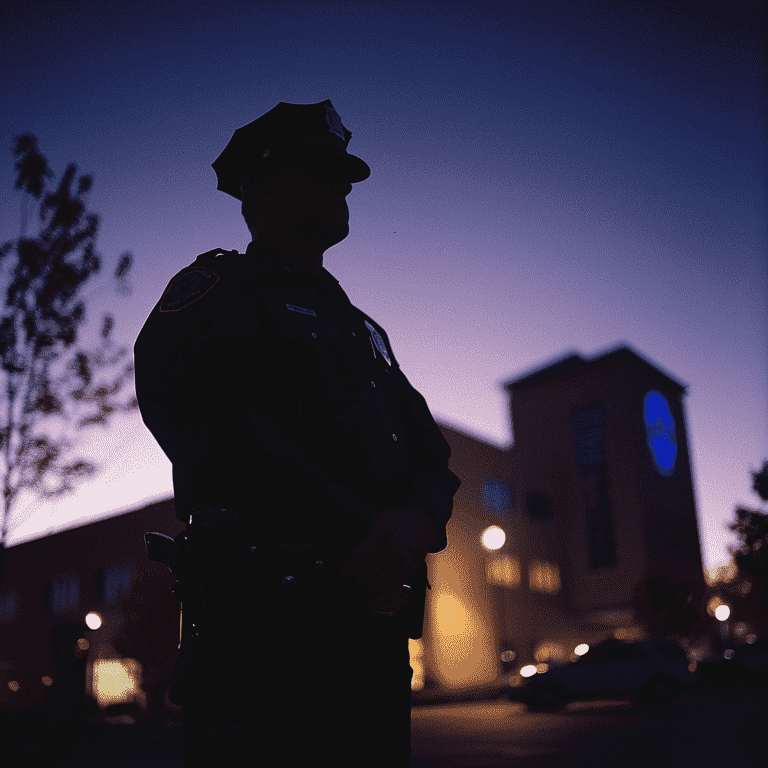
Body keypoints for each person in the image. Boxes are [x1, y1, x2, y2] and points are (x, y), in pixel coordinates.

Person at [133, 99, 461, 768]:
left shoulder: (361, 329)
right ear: (263, 187)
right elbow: (207, 422)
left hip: (367, 636)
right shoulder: (219, 291)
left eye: (342, 174)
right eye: (321, 170)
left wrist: (418, 523)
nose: (342, 186)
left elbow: (430, 452)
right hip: (264, 638)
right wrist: (365, 530)